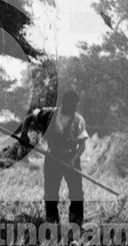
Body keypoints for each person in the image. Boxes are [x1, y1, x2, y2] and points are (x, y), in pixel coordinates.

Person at [36, 89, 89, 228]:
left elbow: (82, 146)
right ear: (64, 103)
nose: (73, 108)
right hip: (52, 157)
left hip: (71, 158)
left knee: (77, 193)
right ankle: (52, 224)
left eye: (75, 105)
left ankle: (76, 224)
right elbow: (34, 117)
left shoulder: (78, 120)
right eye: (71, 105)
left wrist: (73, 159)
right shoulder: (51, 114)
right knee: (51, 193)